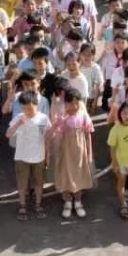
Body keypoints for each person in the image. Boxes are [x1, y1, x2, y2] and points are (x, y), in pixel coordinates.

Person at [6, 90, 51, 221]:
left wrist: (48, 155)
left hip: (39, 157)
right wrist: (18, 124)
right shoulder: (19, 117)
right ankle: (22, 205)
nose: (27, 111)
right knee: (22, 183)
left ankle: (38, 204)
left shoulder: (43, 118)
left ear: (36, 105)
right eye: (24, 108)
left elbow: (47, 137)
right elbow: (8, 134)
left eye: (30, 108)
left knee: (38, 183)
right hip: (21, 157)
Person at [51, 89, 94, 219]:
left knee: (79, 174)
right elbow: (55, 135)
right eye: (70, 103)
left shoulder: (83, 116)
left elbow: (88, 135)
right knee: (66, 174)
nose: (73, 106)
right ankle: (68, 201)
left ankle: (78, 201)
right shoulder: (63, 117)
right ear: (65, 104)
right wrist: (57, 123)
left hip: (80, 152)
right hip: (66, 152)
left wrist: (89, 152)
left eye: (76, 103)